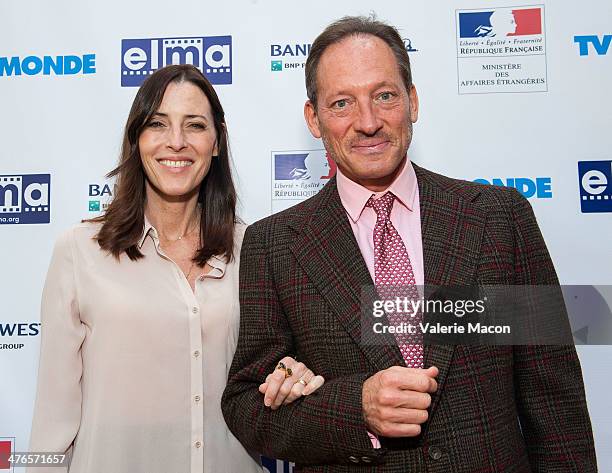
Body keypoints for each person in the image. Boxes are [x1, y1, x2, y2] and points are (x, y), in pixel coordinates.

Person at [221, 16, 597, 472]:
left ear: (412, 101)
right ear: (314, 119)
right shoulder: (274, 245)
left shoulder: (498, 217)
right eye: (342, 103)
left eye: (384, 95)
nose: (368, 122)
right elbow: (247, 406)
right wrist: (356, 406)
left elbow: (554, 398)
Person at [28, 64, 323, 473]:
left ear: (216, 141)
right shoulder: (79, 251)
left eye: (195, 125)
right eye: (158, 124)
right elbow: (51, 423)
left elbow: (275, 372)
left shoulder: (253, 249)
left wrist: (292, 375)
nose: (177, 142)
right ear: (137, 138)